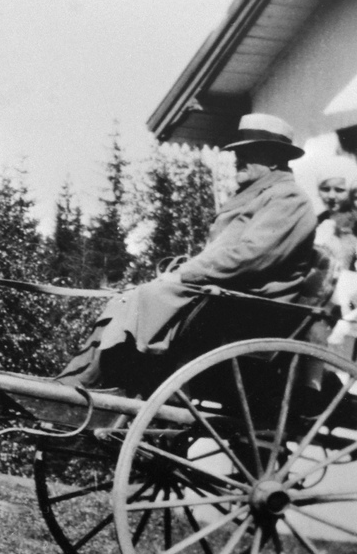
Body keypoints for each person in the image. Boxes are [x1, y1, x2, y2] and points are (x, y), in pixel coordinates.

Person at [57, 113, 317, 393]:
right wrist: (183, 273)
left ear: (275, 158)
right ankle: (90, 377)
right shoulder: (257, 194)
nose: (237, 160)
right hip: (227, 296)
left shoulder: (288, 199)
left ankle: (97, 381)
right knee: (130, 297)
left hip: (253, 307)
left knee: (147, 297)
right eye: (236, 153)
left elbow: (250, 256)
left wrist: (185, 274)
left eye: (248, 153)